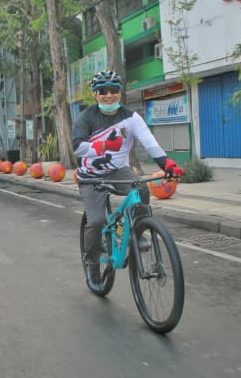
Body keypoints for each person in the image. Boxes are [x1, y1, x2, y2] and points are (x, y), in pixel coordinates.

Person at [72, 69, 184, 289]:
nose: (108, 95)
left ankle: (139, 229)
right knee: (96, 221)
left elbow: (149, 141)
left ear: (120, 92)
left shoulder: (131, 118)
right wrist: (104, 145)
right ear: (95, 94)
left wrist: (167, 163)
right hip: (91, 177)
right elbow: (78, 147)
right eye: (102, 91)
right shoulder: (86, 117)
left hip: (117, 171)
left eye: (113, 90)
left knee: (141, 189)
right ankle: (92, 264)